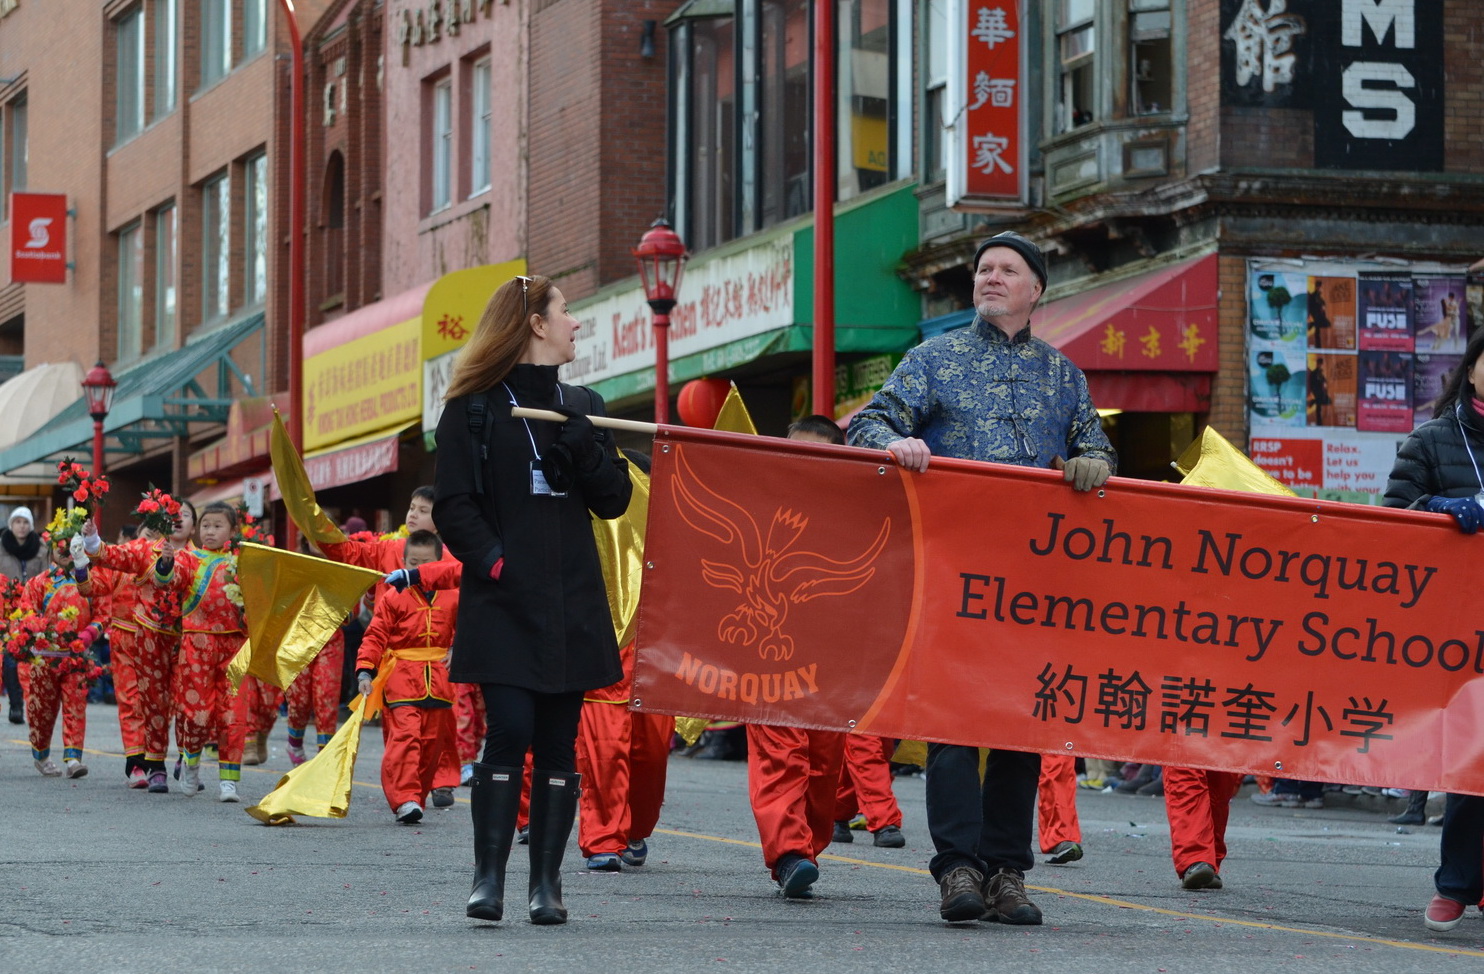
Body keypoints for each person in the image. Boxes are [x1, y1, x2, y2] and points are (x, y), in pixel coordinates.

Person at [848, 230, 1116, 925]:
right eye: (983, 269)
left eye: (1008, 269)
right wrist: (895, 441)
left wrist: (1092, 462)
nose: (991, 277)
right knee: (953, 725)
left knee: (1022, 727)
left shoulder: (1063, 375)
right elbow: (866, 424)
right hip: (951, 573)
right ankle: (958, 868)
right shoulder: (933, 360)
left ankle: (1008, 871)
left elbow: (1095, 443)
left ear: (1036, 290)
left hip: (1036, 580)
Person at [433, 273, 632, 926]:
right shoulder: (473, 406)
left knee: (558, 739)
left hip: (570, 597)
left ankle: (546, 884)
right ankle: (487, 877)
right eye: (568, 312)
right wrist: (495, 561)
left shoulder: (584, 401)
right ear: (536, 325)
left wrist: (584, 446)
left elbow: (614, 501)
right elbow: (454, 505)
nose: (577, 323)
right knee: (510, 726)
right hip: (503, 596)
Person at [1382, 328, 1484, 933]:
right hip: (1458, 628)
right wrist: (1438, 511)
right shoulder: (1433, 439)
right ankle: (1455, 885)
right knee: (1473, 763)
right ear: (1470, 369)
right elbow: (1392, 520)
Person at [743, 416, 852, 897]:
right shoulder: (759, 503)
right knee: (780, 755)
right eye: (792, 451)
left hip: (831, 660)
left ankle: (805, 846)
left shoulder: (855, 513)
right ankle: (789, 853)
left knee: (823, 767)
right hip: (767, 654)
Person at [86, 500, 198, 793]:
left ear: (194, 525)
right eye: (172, 515)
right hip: (146, 638)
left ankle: (188, 758)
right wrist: (91, 538)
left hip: (191, 639)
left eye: (184, 515)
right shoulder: (143, 549)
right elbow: (108, 555)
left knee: (190, 702)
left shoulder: (204, 558)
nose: (177, 519)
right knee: (150, 702)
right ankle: (152, 764)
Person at [355, 530, 458, 825]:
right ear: (403, 562)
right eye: (413, 563)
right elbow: (375, 635)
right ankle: (405, 798)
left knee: (431, 744)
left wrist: (457, 649)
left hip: (440, 679)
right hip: (401, 679)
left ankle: (417, 797)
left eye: (426, 564)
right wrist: (365, 669)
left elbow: (470, 629)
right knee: (405, 739)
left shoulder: (455, 594)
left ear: (440, 563)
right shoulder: (393, 595)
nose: (419, 570)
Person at [157, 502, 249, 802]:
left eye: (218, 526)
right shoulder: (190, 558)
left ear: (233, 531)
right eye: (206, 525)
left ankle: (229, 780)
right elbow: (172, 579)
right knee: (197, 713)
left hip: (235, 646)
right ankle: (192, 764)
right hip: (197, 646)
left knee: (233, 714)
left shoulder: (243, 561)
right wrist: (167, 563)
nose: (210, 531)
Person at [14, 528, 109, 777]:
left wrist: (89, 633)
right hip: (42, 659)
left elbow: (103, 613)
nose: (66, 552)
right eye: (61, 548)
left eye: (72, 547)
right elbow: (26, 612)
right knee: (41, 712)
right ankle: (41, 754)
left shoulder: (89, 582)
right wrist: (39, 631)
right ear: (52, 550)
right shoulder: (38, 583)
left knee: (75, 708)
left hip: (76, 658)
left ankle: (73, 759)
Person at [1, 506, 44, 724]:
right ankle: (16, 705)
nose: (21, 526)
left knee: (31, 660)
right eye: (17, 522)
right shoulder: (1, 547)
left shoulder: (41, 548)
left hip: (33, 611)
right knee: (10, 657)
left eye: (25, 522)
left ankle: (33, 703)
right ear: (11, 524)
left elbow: (47, 577)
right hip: (7, 612)